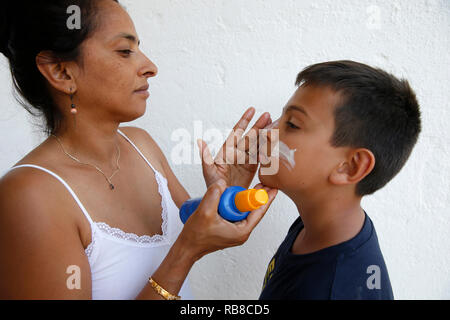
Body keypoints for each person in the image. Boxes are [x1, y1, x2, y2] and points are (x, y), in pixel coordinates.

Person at [0, 0, 278, 299]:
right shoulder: (30, 196)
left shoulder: (142, 145)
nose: (149, 67)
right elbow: (188, 246)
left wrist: (228, 193)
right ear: (61, 72)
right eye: (124, 51)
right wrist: (184, 253)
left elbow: (200, 227)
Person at [258, 60, 421, 299]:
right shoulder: (318, 225)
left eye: (292, 124)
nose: (266, 131)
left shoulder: (335, 290)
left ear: (350, 167)